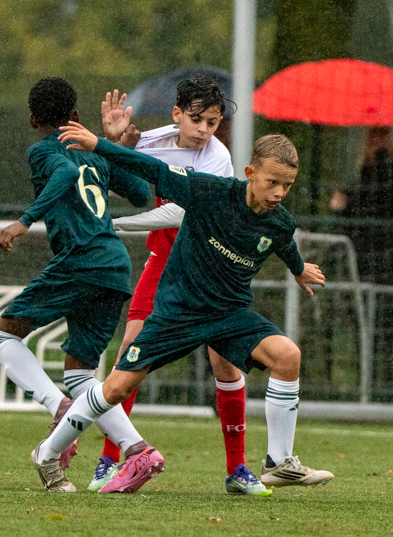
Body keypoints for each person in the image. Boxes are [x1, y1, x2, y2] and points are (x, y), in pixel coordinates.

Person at [32, 126, 333, 494]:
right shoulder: (209, 191)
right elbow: (153, 170)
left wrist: (299, 269)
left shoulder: (280, 220)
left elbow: (283, 244)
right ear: (250, 172)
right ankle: (48, 452)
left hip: (228, 315)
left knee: (287, 356)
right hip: (177, 313)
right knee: (116, 388)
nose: (279, 193)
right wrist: (100, 146)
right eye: (272, 182)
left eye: (287, 185)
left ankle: (278, 462)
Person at [87, 78, 263, 497]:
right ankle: (109, 460)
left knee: (225, 364)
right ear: (177, 114)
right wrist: (114, 144)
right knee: (130, 354)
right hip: (164, 261)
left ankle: (237, 469)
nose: (204, 129)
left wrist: (119, 224)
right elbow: (108, 180)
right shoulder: (150, 141)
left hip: (208, 267)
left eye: (213, 122)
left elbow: (181, 214)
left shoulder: (217, 157)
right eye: (197, 119)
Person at [0, 77, 156, 493]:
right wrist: (117, 149)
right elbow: (140, 194)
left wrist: (25, 221)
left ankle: (57, 405)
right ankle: (138, 451)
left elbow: (63, 172)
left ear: (32, 120)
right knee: (81, 374)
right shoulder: (93, 151)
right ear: (75, 116)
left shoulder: (43, 151)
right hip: (114, 267)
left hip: (81, 260)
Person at [330, 126, 393, 323]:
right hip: (387, 261)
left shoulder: (378, 180)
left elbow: (357, 213)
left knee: (377, 317)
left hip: (381, 260)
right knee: (383, 318)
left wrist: (342, 204)